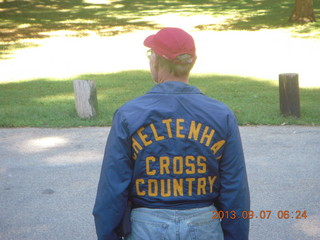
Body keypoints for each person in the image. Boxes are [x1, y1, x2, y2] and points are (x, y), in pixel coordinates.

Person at [93, 27, 250, 240]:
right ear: (192, 62)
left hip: (146, 226)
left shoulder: (128, 114)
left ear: (156, 60)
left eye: (151, 55)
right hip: (204, 224)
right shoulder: (222, 115)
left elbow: (112, 188)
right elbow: (234, 190)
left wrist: (108, 235)